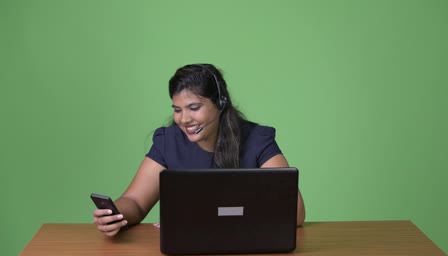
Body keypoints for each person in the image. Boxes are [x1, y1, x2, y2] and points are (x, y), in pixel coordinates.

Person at [93, 63, 306, 236]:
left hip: (246, 249)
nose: (184, 119)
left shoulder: (257, 140)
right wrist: (116, 215)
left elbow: (294, 214)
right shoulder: (168, 142)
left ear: (221, 104)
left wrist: (206, 219)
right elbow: (135, 202)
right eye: (177, 110)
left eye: (194, 108)